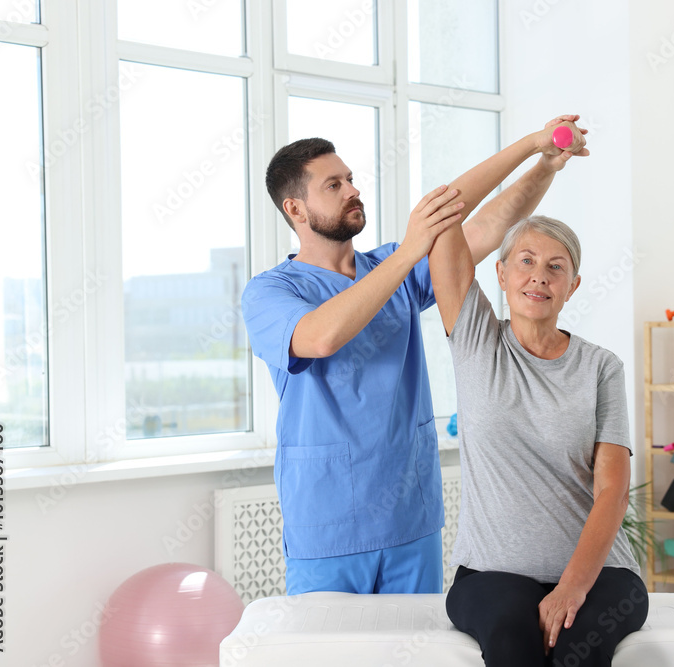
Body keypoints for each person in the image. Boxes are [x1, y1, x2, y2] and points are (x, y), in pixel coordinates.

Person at [241, 116, 588, 597]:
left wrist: (541, 160)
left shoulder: (389, 268)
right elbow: (319, 338)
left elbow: (485, 224)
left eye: (351, 180)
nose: (351, 191)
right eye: (334, 185)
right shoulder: (270, 292)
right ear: (295, 208)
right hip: (329, 525)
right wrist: (408, 253)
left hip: (411, 518)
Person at [428, 201, 648, 662]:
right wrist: (537, 153)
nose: (539, 276)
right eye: (526, 261)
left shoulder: (600, 367)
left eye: (555, 267)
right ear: (502, 273)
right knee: (513, 641)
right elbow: (446, 239)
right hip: (491, 572)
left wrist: (570, 588)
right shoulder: (476, 340)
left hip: (602, 574)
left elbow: (612, 489)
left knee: (578, 650)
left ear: (573, 286)